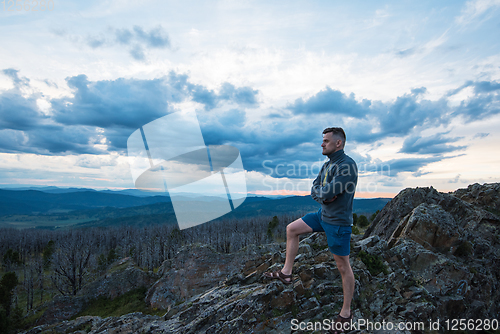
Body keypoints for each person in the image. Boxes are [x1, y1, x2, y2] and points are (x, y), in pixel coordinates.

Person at [264, 127, 358, 333]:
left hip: (338, 222)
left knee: (343, 266)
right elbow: (316, 189)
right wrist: (322, 195)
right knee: (292, 229)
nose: (322, 144)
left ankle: (346, 313)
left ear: (338, 143)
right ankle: (286, 273)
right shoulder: (327, 165)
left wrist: (324, 194)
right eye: (322, 140)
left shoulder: (347, 166)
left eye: (325, 141)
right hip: (322, 216)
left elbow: (330, 192)